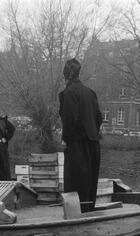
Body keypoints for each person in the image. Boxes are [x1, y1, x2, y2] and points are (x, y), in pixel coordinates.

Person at [58, 58, 102, 212]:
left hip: (77, 145)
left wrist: (65, 139)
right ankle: (89, 215)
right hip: (94, 144)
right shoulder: (91, 93)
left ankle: (76, 221)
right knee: (90, 185)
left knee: (74, 186)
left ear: (66, 76)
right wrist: (91, 132)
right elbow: (99, 118)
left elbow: (69, 119)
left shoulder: (68, 93)